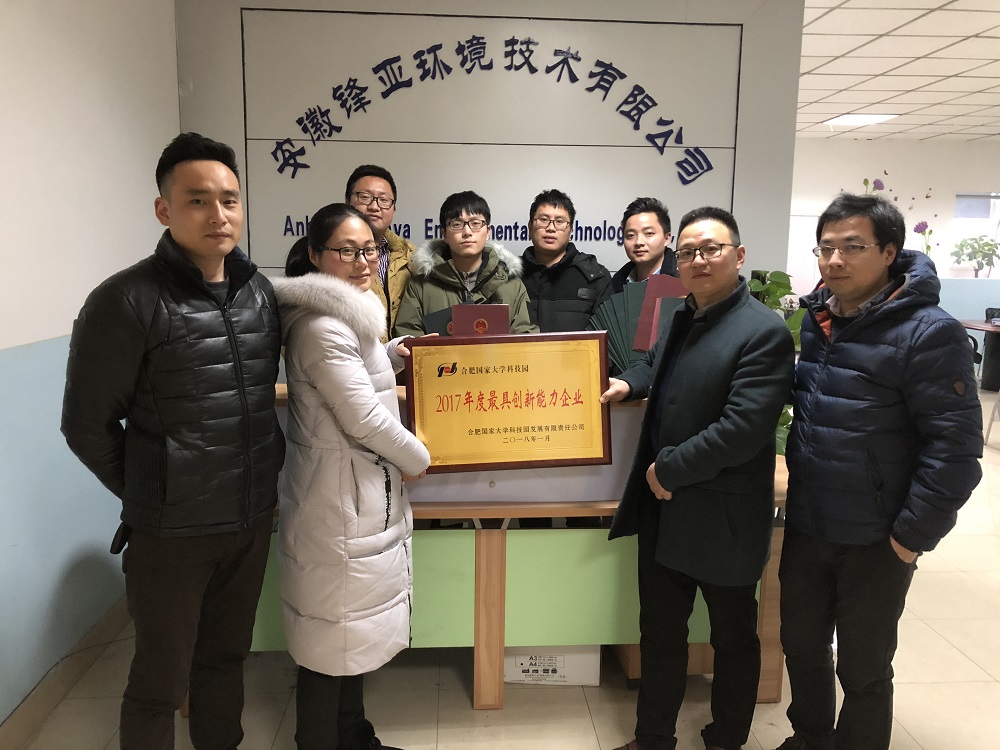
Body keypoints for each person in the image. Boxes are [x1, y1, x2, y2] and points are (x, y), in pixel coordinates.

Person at [61, 132, 285, 750]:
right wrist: (156, 488)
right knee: (159, 683)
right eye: (198, 200)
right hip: (171, 534)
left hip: (250, 518)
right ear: (164, 210)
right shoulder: (124, 300)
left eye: (230, 200)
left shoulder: (259, 294)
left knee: (225, 660)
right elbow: (85, 426)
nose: (219, 215)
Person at [775, 193, 983, 750]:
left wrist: (909, 539)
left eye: (852, 247)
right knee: (801, 646)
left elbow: (957, 451)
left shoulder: (928, 332)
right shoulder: (819, 320)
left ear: (889, 252)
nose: (834, 260)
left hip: (877, 536)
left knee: (863, 668)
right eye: (825, 248)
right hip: (809, 522)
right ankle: (809, 738)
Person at [601, 207, 795, 750]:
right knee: (660, 633)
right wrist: (629, 383)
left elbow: (742, 429)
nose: (698, 260)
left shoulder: (763, 331)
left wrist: (669, 468)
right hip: (665, 510)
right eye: (688, 252)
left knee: (733, 636)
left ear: (739, 255)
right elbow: (655, 364)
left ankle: (726, 738)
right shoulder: (682, 315)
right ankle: (652, 738)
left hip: (723, 513)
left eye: (710, 249)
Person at [272, 203, 431, 750]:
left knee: (349, 636)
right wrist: (419, 458)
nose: (363, 262)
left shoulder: (347, 314)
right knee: (329, 642)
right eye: (347, 251)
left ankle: (353, 736)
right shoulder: (321, 325)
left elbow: (356, 376)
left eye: (370, 250)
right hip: (337, 503)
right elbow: (363, 416)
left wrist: (391, 353)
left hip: (356, 495)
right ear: (315, 255)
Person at [394, 190, 539, 337]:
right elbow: (408, 338)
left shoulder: (512, 285)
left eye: (475, 223)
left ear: (488, 231)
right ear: (444, 234)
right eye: (457, 224)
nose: (467, 232)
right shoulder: (420, 287)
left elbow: (526, 337)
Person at [520, 188, 613, 331]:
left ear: (571, 230)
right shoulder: (510, 276)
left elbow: (605, 337)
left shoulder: (595, 278)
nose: (551, 228)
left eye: (559, 221)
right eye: (543, 220)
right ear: (530, 227)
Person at [346, 164, 416, 338]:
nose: (374, 207)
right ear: (347, 202)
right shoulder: (332, 255)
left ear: (394, 208)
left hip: (401, 354)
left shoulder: (411, 256)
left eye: (384, 200)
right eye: (365, 197)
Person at [611, 196, 679, 293]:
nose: (639, 242)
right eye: (631, 235)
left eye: (649, 233)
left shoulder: (684, 278)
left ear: (667, 238)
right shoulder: (617, 283)